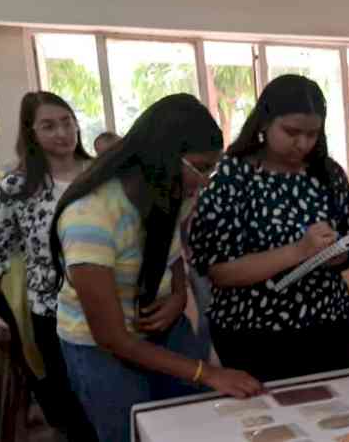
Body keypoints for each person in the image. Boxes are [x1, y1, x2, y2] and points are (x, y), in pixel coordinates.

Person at [49, 94, 263, 442]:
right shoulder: (89, 218)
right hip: (100, 348)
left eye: (213, 167)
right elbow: (111, 337)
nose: (207, 180)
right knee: (131, 432)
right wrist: (206, 372)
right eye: (201, 167)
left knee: (195, 428)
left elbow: (172, 252)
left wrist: (178, 296)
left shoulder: (173, 192)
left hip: (164, 329)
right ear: (161, 156)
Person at [189, 75, 349, 382]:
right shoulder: (232, 176)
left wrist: (342, 257)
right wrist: (298, 251)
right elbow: (219, 272)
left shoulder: (328, 173)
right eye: (292, 132)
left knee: (340, 418)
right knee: (268, 425)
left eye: (312, 134)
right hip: (253, 335)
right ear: (265, 123)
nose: (303, 143)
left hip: (328, 327)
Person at [0, 91, 96, 442]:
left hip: (109, 306)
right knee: (71, 406)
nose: (62, 133)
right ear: (31, 133)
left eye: (67, 121)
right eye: (48, 126)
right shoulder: (17, 186)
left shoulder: (100, 173)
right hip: (54, 314)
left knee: (111, 397)